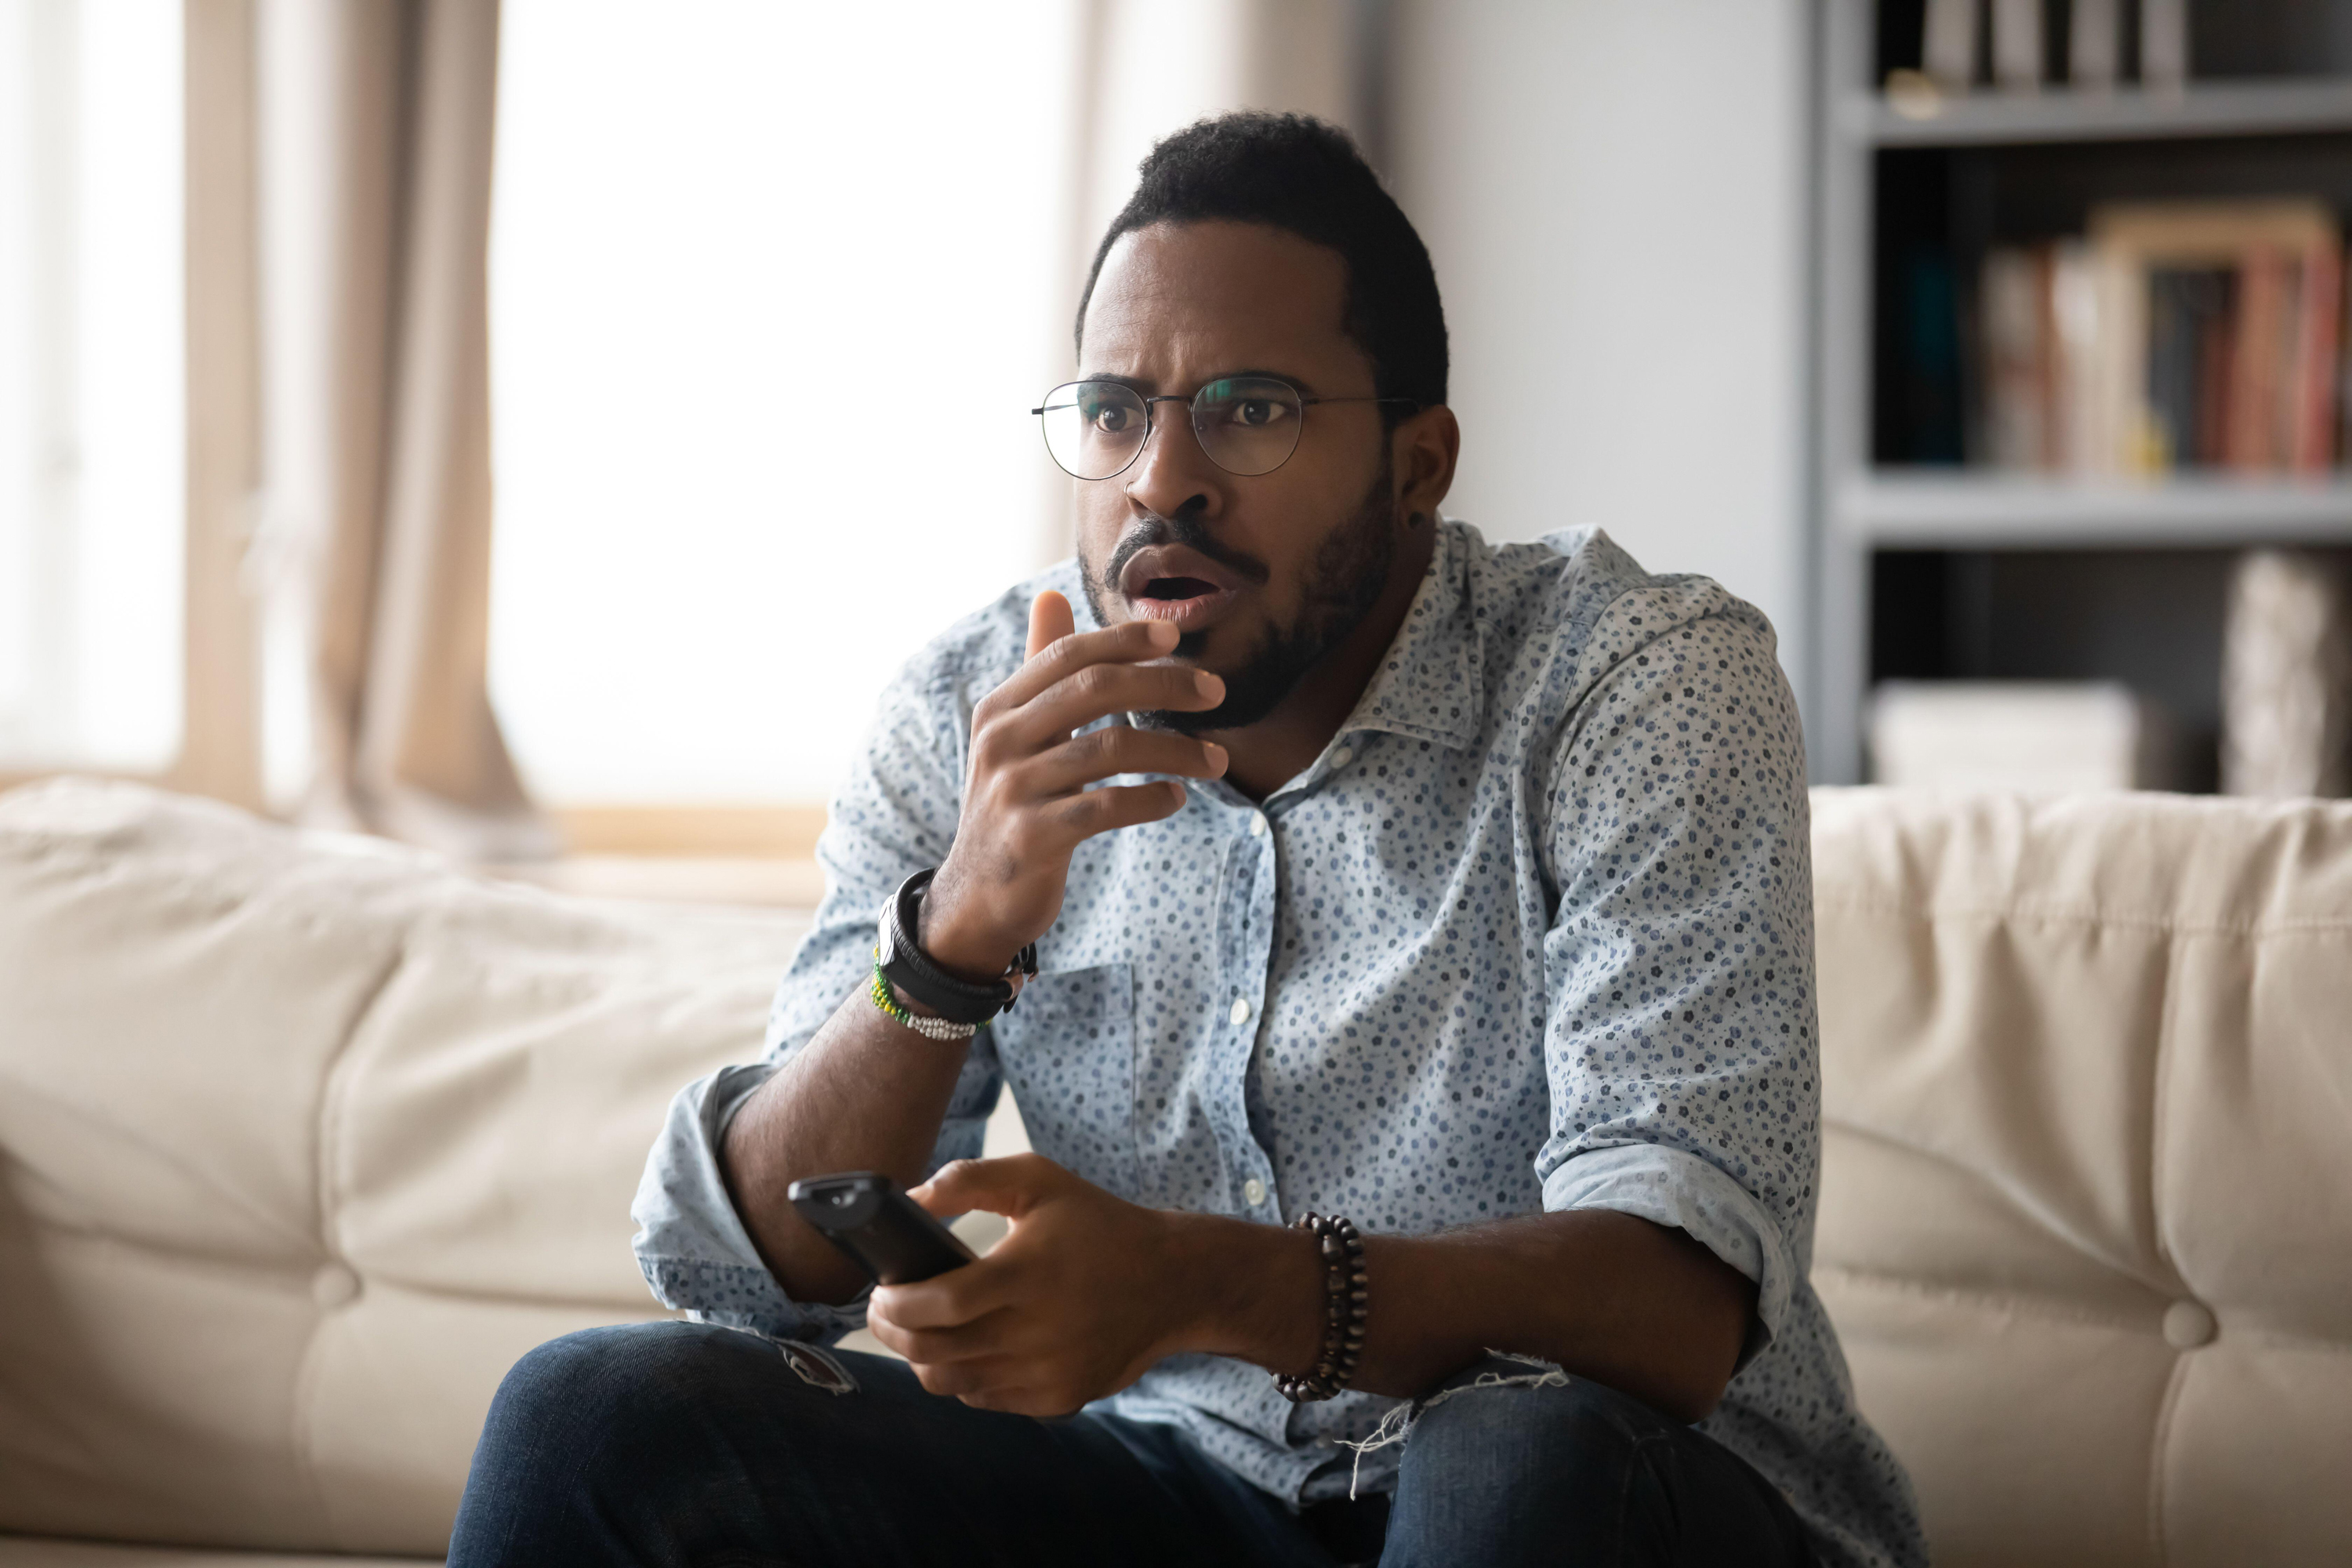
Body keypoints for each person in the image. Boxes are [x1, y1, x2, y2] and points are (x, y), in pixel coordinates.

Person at [448, 112, 1924, 1568]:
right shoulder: (973, 711)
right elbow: (749, 1272)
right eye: (1113, 413)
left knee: (1511, 1443)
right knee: (595, 1421)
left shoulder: (1638, 682)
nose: (1161, 478)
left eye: (1251, 408)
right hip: (1179, 1488)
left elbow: (1668, 1310)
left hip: (1612, 1499)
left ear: (1420, 466)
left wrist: (1194, 1284)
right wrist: (951, 937)